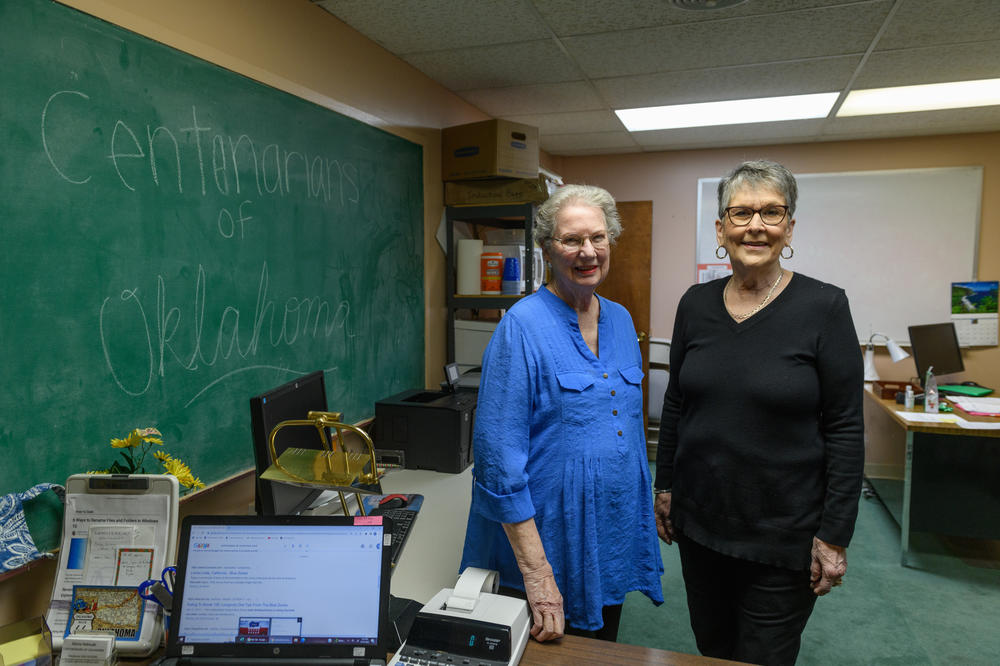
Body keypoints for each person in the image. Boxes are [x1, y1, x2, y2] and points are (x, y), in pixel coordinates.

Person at [654, 160, 864, 665]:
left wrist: (834, 535)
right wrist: (665, 487)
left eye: (772, 213)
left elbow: (844, 426)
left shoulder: (825, 307)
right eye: (742, 212)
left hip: (782, 532)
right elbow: (677, 400)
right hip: (701, 524)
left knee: (762, 655)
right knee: (712, 646)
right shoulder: (695, 304)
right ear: (721, 227)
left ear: (789, 227)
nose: (756, 226)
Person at [460, 184, 664, 642]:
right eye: (571, 240)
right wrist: (536, 574)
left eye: (598, 238)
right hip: (548, 545)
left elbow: (624, 433)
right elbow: (497, 464)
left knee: (601, 647)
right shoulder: (521, 327)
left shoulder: (622, 318)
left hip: (607, 539)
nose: (587, 252)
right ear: (548, 249)